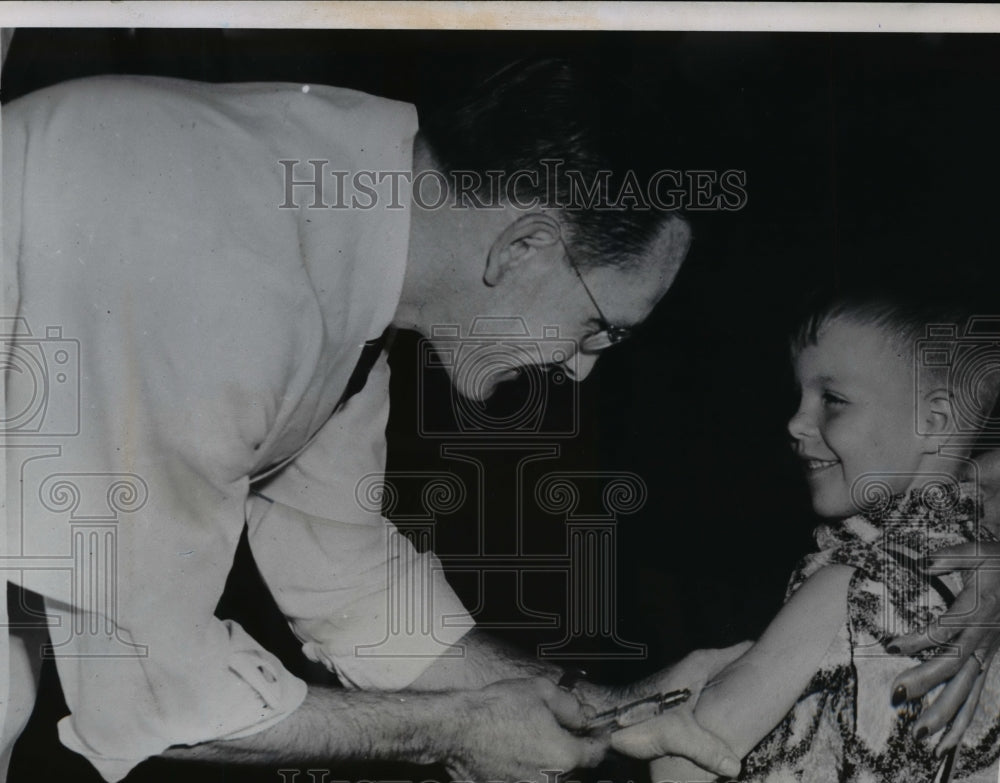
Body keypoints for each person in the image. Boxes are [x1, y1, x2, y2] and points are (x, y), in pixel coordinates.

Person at [1, 60, 750, 783]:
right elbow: (145, 682)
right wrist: (453, 731)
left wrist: (609, 712)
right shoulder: (227, 272)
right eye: (598, 328)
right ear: (525, 246)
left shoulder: (351, 227)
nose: (582, 368)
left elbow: (348, 583)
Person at [650, 290, 1000, 782]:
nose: (795, 422)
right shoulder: (980, 581)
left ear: (934, 420)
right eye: (800, 396)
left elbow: (687, 759)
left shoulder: (855, 586)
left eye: (832, 400)